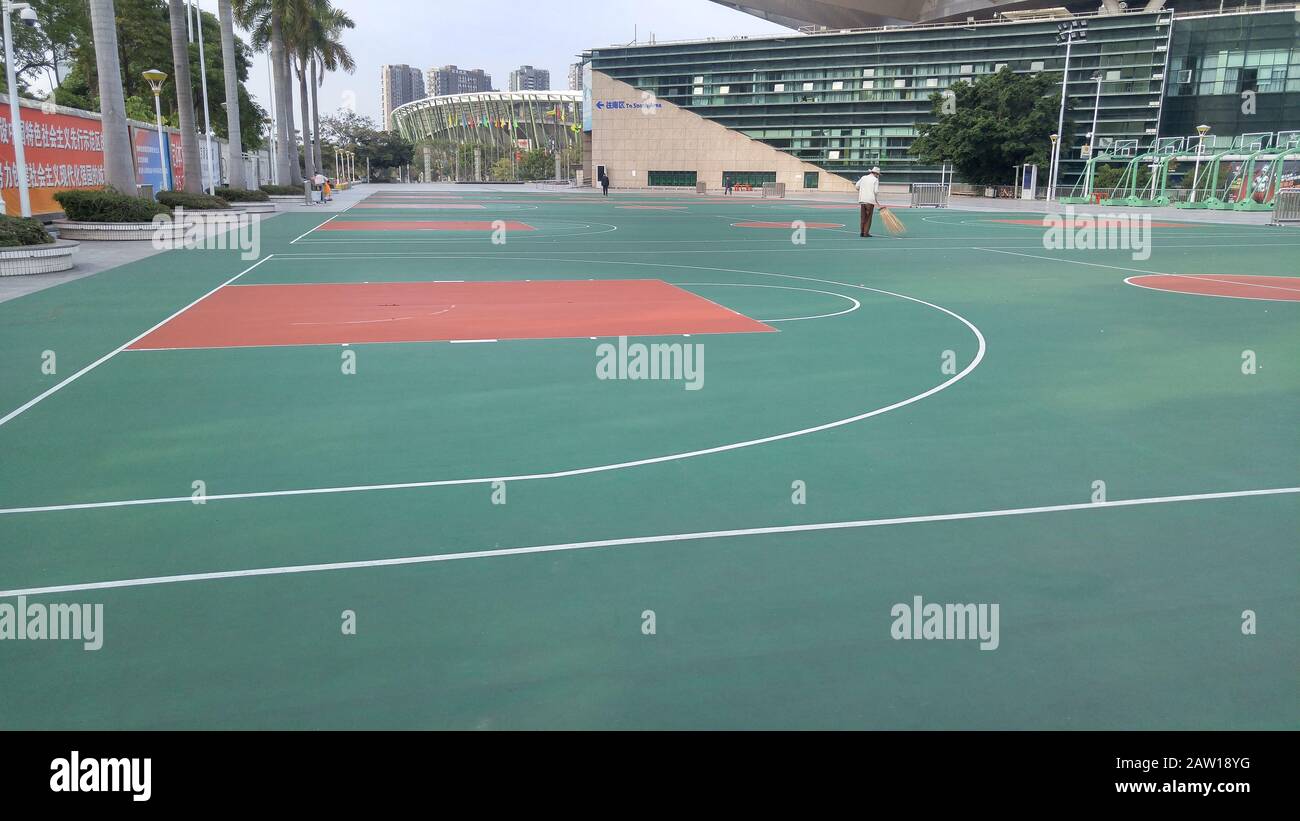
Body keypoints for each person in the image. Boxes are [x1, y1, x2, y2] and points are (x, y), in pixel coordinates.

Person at [856, 166, 881, 237]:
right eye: (878, 174)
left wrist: (862, 190)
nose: (878, 176)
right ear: (876, 174)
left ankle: (862, 232)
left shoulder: (863, 177)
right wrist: (875, 196)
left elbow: (857, 186)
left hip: (862, 200)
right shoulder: (875, 180)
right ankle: (866, 233)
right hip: (870, 201)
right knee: (869, 217)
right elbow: (876, 191)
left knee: (863, 217)